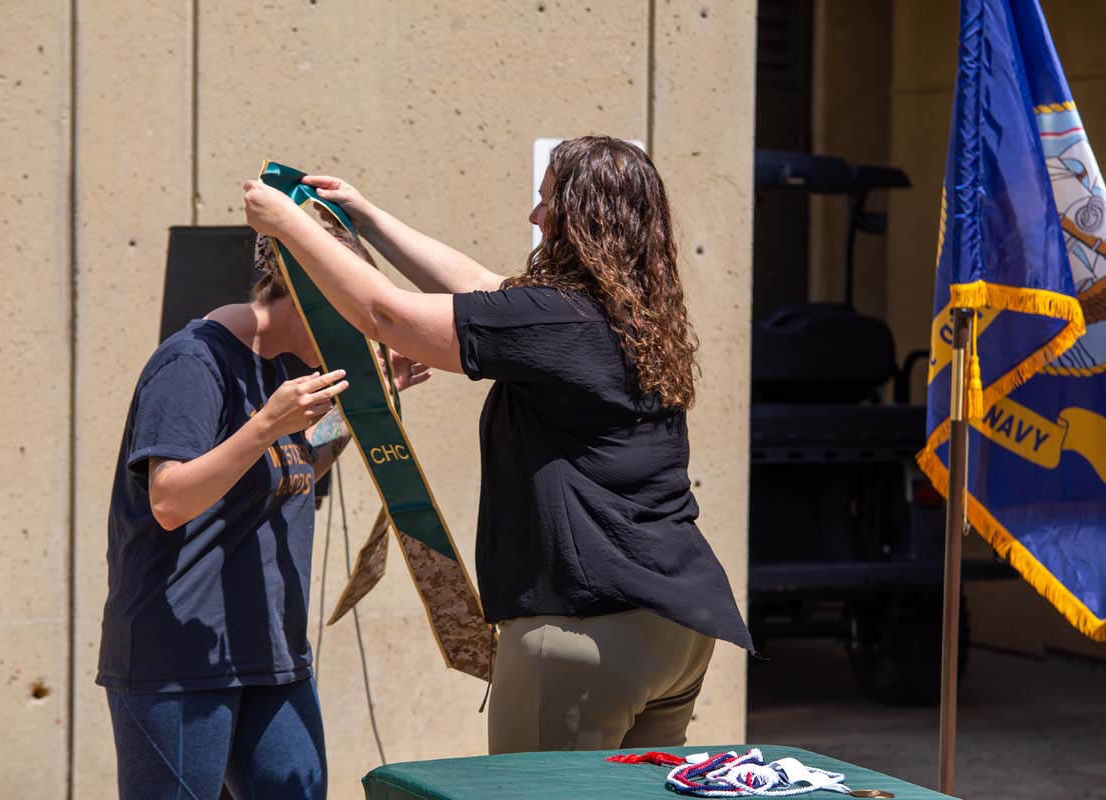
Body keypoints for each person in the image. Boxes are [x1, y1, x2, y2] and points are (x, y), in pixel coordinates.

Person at [242, 135, 753, 754]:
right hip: (677, 628)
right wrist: (366, 217)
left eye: (546, 203)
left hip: (584, 632)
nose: (534, 217)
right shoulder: (626, 316)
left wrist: (291, 228)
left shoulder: (558, 321)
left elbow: (388, 317)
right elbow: (484, 287)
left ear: (581, 218)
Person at [96, 232, 431, 799]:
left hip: (272, 652)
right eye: (359, 309)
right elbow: (169, 500)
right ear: (311, 295)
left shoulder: (284, 366)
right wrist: (263, 427)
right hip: (180, 657)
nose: (368, 329)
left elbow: (297, 472)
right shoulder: (192, 360)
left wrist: (372, 403)